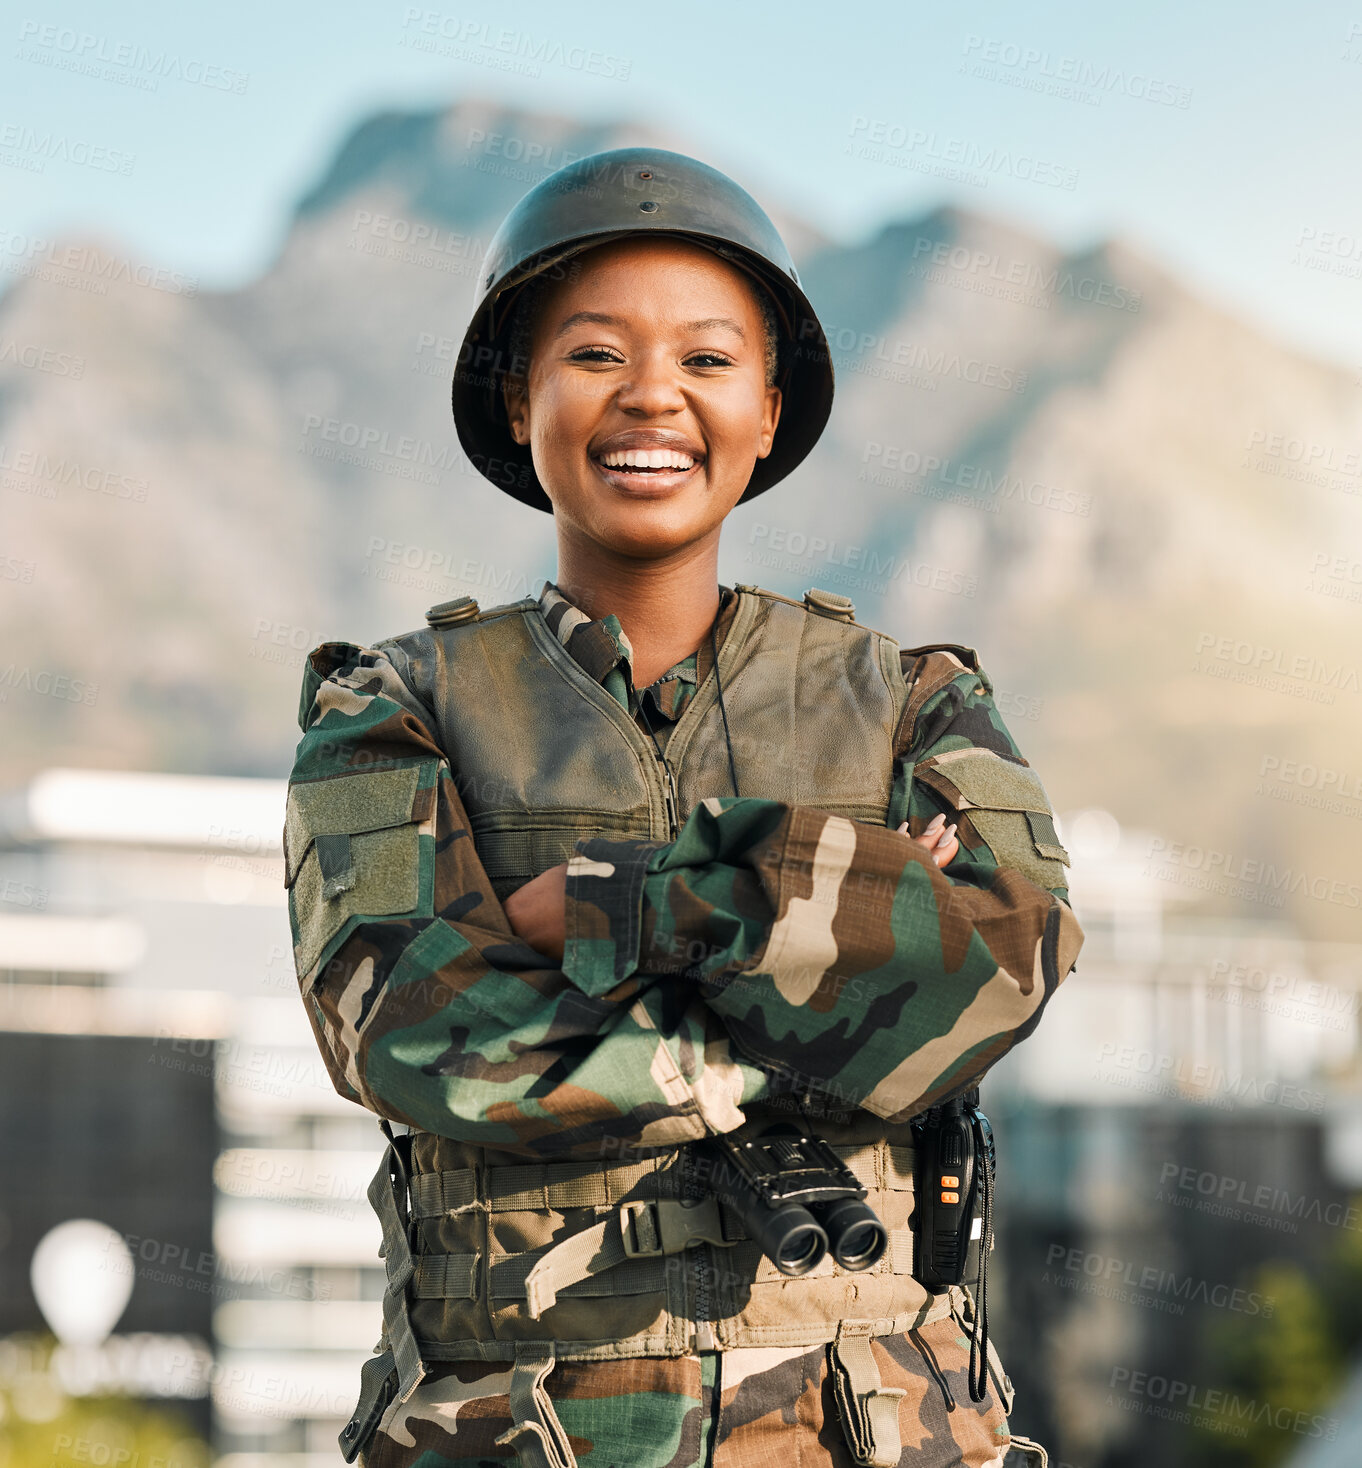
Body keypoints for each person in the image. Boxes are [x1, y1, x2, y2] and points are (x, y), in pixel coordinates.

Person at [283, 147, 1083, 1468]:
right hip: (515, 1428)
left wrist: (628, 903)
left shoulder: (907, 699)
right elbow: (414, 1034)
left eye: (708, 361)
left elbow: (1005, 968)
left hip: (875, 1429)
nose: (652, 395)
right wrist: (840, 977)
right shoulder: (391, 711)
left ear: (769, 410)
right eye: (593, 355)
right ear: (517, 398)